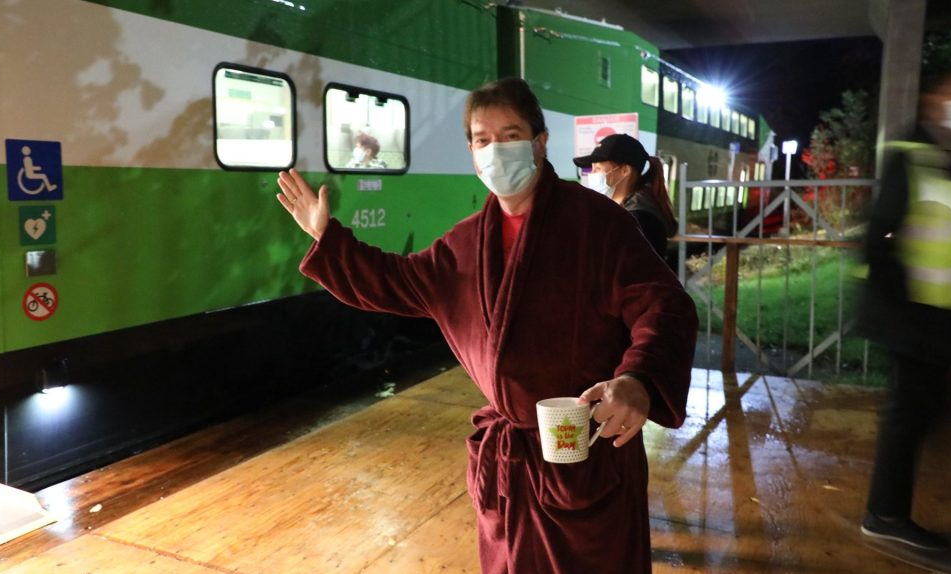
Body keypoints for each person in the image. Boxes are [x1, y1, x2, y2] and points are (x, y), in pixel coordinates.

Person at [276, 77, 698, 574]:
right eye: (482, 139)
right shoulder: (465, 243)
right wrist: (328, 237)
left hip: (584, 454)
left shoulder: (598, 224)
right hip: (506, 469)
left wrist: (637, 379)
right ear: (472, 152)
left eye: (510, 135)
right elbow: (394, 281)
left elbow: (664, 305)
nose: (496, 150)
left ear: (539, 143)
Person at [858, 69, 951, 552]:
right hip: (916, 321)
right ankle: (885, 515)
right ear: (937, 101)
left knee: (921, 413)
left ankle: (888, 512)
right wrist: (902, 316)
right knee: (909, 414)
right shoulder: (915, 156)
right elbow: (877, 240)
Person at [573, 134, 678, 259]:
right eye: (591, 169)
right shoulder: (622, 209)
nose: (592, 174)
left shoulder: (639, 218)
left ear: (625, 171)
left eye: (598, 168)